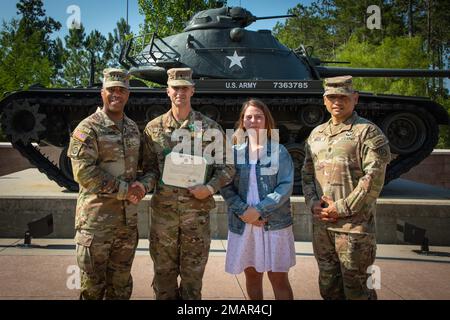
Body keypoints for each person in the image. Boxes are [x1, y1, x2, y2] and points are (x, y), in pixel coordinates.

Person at [142, 67, 235, 300]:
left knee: (193, 281)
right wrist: (143, 185)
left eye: (184, 88)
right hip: (164, 218)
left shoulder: (210, 128)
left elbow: (228, 167)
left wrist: (210, 188)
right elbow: (149, 170)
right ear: (167, 91)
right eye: (175, 88)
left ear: (192, 91)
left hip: (197, 217)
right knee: (163, 277)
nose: (180, 92)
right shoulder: (153, 129)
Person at [301, 75, 391, 300]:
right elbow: (306, 174)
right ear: (324, 100)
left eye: (343, 97)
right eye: (331, 97)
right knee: (328, 286)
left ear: (355, 98)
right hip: (322, 227)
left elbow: (373, 179)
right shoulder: (316, 134)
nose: (337, 102)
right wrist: (313, 203)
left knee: (359, 288)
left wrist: (339, 208)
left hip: (354, 228)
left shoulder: (368, 133)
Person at [68, 68, 150, 300]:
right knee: (93, 288)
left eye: (121, 90)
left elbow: (145, 168)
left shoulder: (133, 129)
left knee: (121, 288)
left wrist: (143, 186)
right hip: (96, 226)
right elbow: (84, 173)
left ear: (128, 95)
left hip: (126, 226)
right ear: (102, 92)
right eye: (111, 89)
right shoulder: (87, 129)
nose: (117, 94)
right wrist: (126, 190)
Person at [220, 98, 296, 300]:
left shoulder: (279, 152)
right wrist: (244, 212)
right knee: (252, 277)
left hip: (273, 223)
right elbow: (226, 186)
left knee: (278, 278)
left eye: (258, 116)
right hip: (244, 223)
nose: (254, 120)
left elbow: (285, 186)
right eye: (249, 117)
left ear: (266, 121)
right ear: (243, 121)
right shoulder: (234, 153)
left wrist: (259, 210)